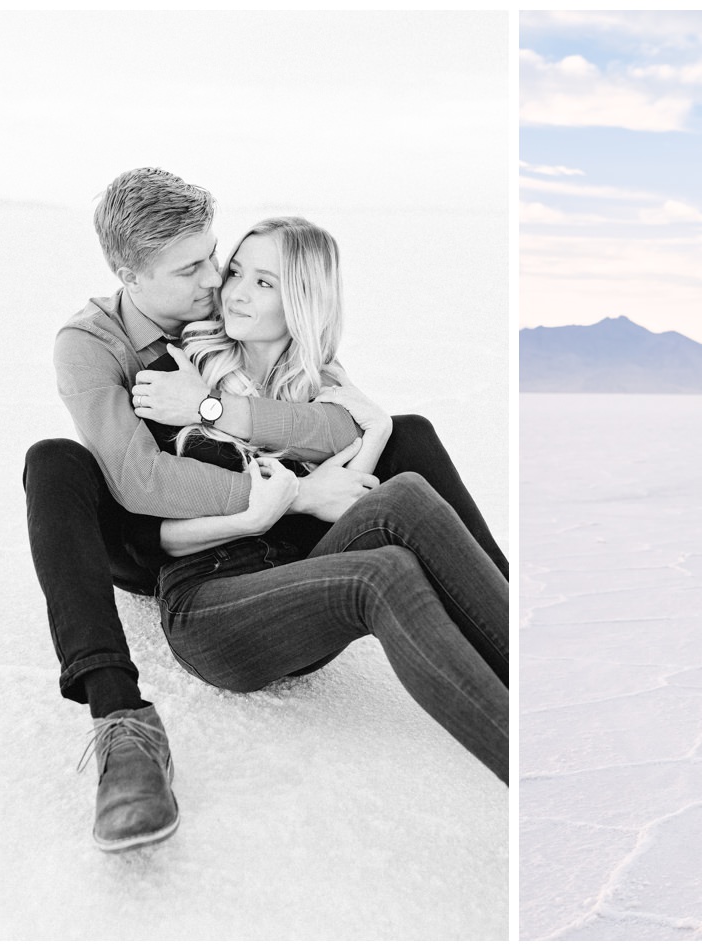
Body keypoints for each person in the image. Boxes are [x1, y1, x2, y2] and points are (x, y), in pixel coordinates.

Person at [23, 168, 506, 851]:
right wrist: (292, 497)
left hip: (269, 544)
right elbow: (138, 482)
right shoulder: (93, 343)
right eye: (194, 267)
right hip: (145, 537)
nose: (217, 280)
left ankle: (516, 637)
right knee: (54, 460)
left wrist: (220, 408)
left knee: (411, 444)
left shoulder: (221, 314)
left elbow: (346, 421)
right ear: (129, 272)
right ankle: (120, 720)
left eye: (219, 258)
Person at [146, 215, 507, 784]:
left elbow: (341, 512)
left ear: (303, 301)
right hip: (213, 608)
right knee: (381, 572)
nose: (235, 292)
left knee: (406, 489)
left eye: (264, 283)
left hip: (302, 593)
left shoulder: (321, 394)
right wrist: (258, 512)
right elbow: (154, 531)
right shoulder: (178, 371)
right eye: (236, 272)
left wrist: (377, 435)